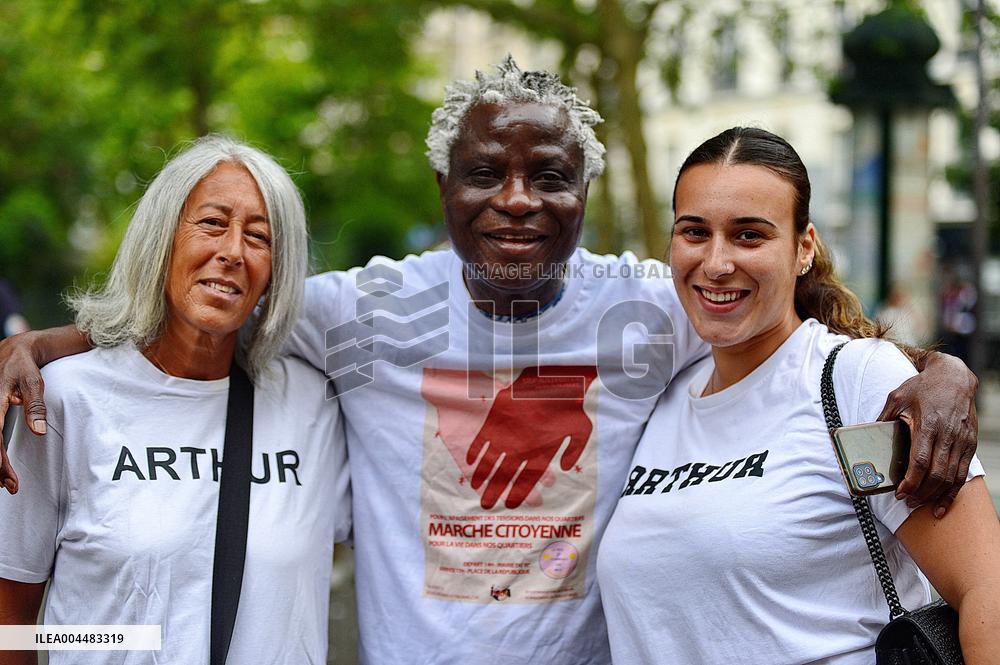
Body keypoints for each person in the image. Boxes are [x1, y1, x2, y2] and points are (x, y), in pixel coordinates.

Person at [0, 60, 980, 664]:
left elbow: (792, 316)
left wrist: (941, 370)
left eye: (548, 176)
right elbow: (209, 308)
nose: (516, 198)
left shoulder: (657, 300)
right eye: (484, 174)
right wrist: (42, 344)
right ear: (444, 186)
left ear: (584, 192)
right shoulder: (357, 311)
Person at [596, 127, 1000, 664]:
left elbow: (984, 590)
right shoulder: (663, 395)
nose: (716, 262)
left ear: (803, 247)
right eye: (695, 232)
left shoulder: (856, 383)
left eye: (749, 236)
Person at [0, 136, 350, 664]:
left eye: (259, 237)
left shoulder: (315, 404)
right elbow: (13, 627)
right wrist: (120, 638)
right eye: (212, 223)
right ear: (162, 239)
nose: (233, 251)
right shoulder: (65, 402)